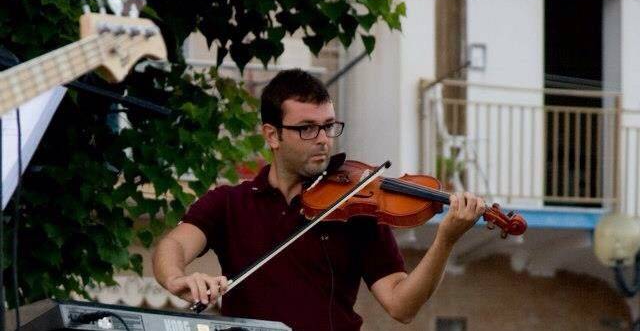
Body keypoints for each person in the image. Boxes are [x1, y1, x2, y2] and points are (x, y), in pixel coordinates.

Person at [153, 69, 485, 330]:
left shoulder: (357, 209)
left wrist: (445, 241)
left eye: (328, 126)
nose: (324, 140)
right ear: (273, 135)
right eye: (308, 129)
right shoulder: (231, 203)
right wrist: (177, 278)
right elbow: (174, 246)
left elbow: (402, 306)